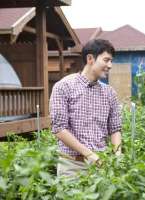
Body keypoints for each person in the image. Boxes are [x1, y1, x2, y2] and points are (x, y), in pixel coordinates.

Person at [50, 39, 122, 177]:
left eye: (111, 61)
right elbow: (59, 129)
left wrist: (117, 156)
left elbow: (115, 128)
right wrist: (90, 155)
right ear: (90, 58)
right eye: (106, 60)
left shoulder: (109, 92)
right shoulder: (64, 87)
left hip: (102, 165)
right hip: (72, 166)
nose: (110, 65)